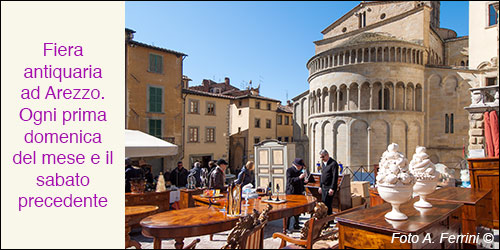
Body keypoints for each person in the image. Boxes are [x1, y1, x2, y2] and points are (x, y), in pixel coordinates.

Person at [286, 158, 309, 230]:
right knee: (289, 211)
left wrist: (305, 181)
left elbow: (301, 182)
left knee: (298, 210)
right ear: (296, 165)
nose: (301, 167)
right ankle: (286, 227)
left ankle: (296, 224)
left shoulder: (301, 171)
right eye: (300, 166)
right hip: (291, 193)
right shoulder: (289, 170)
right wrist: (299, 178)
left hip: (299, 192)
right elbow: (290, 181)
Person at [318, 149, 339, 215]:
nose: (322, 159)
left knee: (328, 204)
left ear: (327, 155)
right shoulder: (324, 164)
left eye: (323, 157)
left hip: (329, 187)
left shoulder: (333, 163)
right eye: (321, 157)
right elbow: (322, 175)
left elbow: (335, 177)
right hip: (324, 186)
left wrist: (332, 188)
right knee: (324, 203)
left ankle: (329, 219)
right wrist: (320, 186)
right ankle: (327, 218)